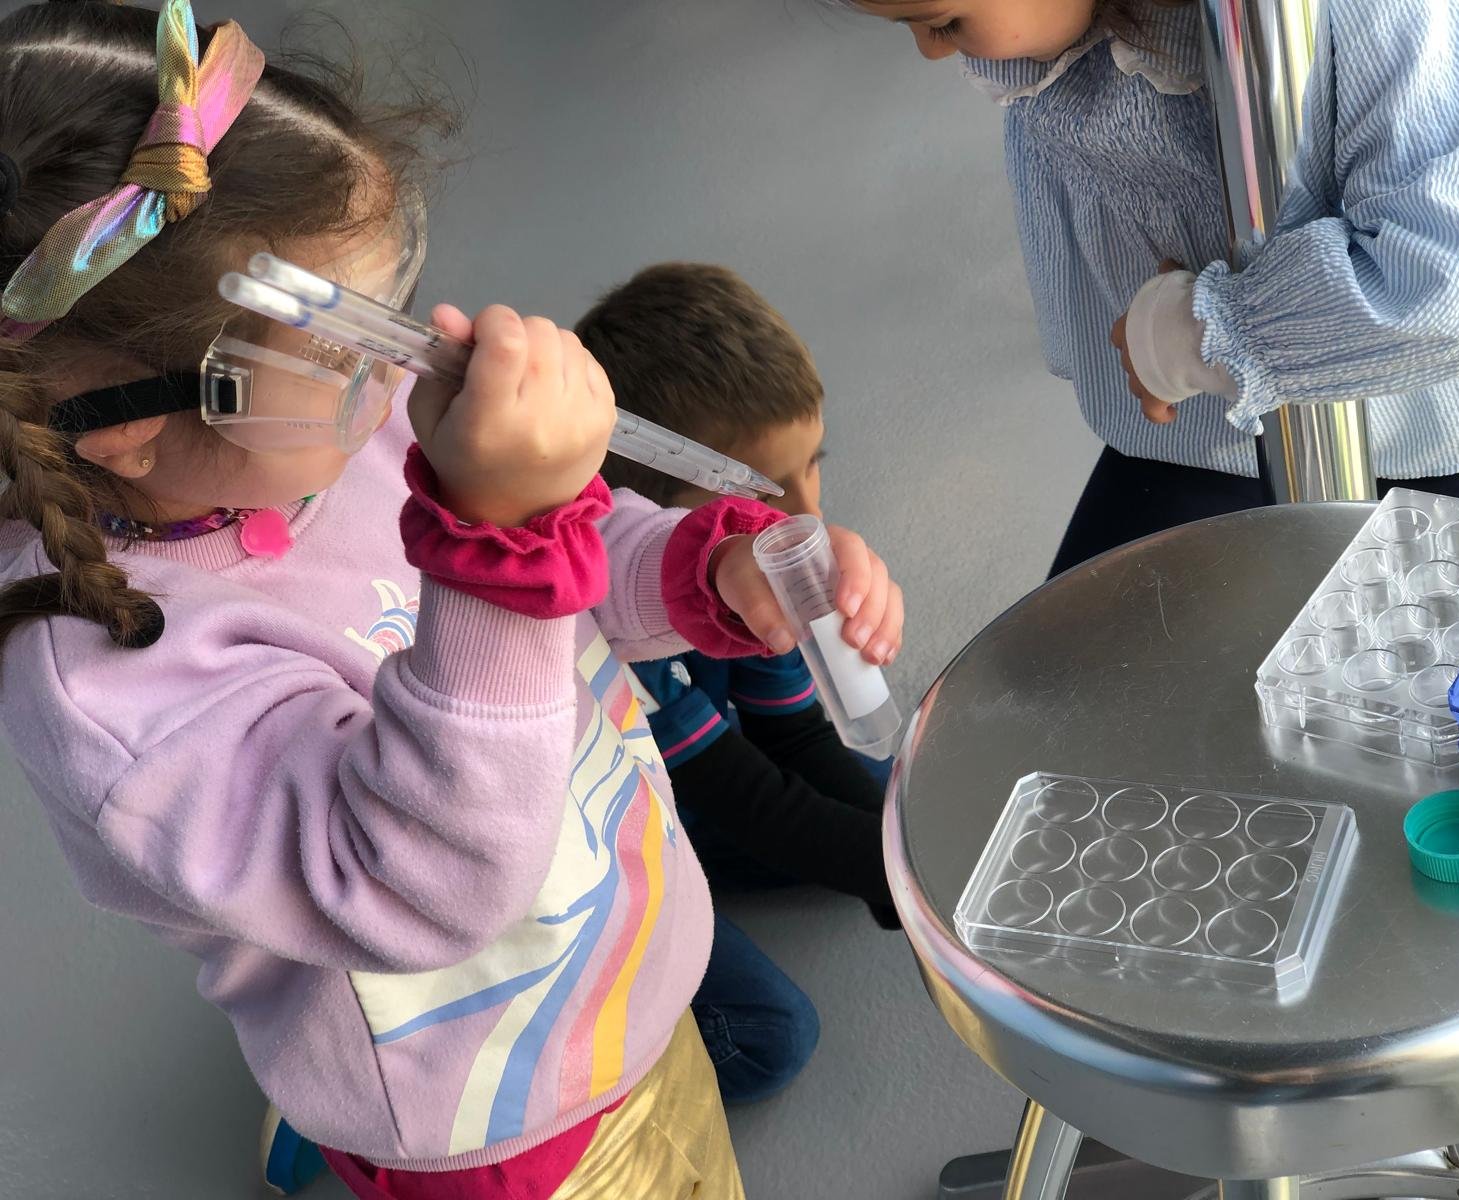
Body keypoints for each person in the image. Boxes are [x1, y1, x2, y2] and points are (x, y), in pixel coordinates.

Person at [0, 4, 905, 1198]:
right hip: (486, 1118)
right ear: (127, 428)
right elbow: (418, 883)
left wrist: (707, 574)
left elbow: (588, 564)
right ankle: (321, 1114)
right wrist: (499, 541)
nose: (404, 362)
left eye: (393, 300)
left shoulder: (338, 441)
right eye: (342, 346)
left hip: (617, 978)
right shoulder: (111, 681)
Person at [847, 0, 1459, 575]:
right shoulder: (1049, 41)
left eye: (943, 21)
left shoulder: (1364, 15)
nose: (929, 50)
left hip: (1407, 430)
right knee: (1078, 676)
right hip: (1201, 429)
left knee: (1370, 695)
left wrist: (1187, 335)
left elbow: (1447, 287)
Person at [574, 263, 902, 1106]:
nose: (805, 519)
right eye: (758, 494)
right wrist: (906, 879)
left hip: (697, 783)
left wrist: (898, 858)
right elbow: (743, 794)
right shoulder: (613, 621)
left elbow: (794, 731)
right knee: (770, 1035)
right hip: (613, 835)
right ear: (644, 511)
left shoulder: (762, 565)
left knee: (886, 798)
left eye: (812, 467)